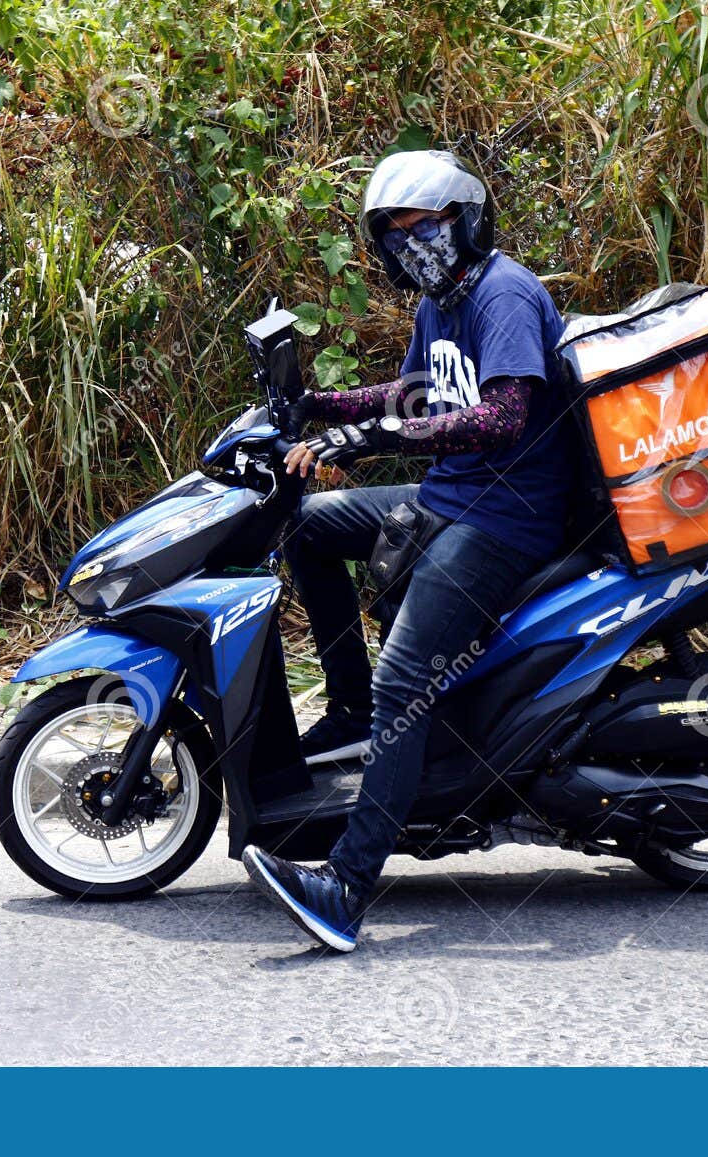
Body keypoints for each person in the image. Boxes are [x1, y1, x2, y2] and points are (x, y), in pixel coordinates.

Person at [241, 149, 577, 952]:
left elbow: (500, 418)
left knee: (408, 680)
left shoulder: (502, 295)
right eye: (395, 235)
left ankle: (347, 889)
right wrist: (320, 404)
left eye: (424, 225)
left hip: (510, 518)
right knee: (307, 526)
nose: (412, 244)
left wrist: (379, 438)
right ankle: (346, 704)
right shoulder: (440, 302)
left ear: (465, 219)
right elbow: (415, 395)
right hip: (452, 497)